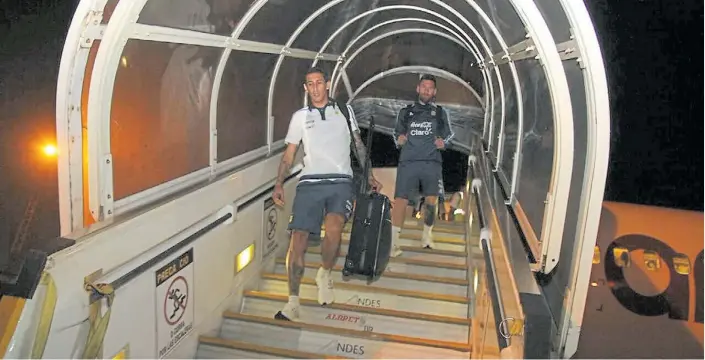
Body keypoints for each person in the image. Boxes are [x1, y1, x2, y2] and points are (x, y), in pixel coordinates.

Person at [271, 67, 381, 321]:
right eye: (310, 84)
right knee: (297, 239)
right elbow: (289, 154)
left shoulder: (344, 111)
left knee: (333, 229)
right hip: (309, 182)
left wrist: (370, 174)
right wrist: (278, 183)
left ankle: (325, 272)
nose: (315, 88)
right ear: (305, 88)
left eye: (319, 82)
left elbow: (358, 144)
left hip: (341, 181)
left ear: (328, 84)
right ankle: (293, 302)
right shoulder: (300, 117)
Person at [390, 74, 454, 256]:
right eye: (423, 86)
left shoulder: (440, 112)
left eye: (430, 87)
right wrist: (399, 139)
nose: (426, 90)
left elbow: (449, 136)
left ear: (434, 92)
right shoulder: (406, 111)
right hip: (408, 162)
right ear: (418, 89)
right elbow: (396, 134)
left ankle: (427, 235)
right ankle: (394, 242)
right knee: (400, 200)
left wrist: (444, 143)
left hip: (431, 162)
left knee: (431, 200)